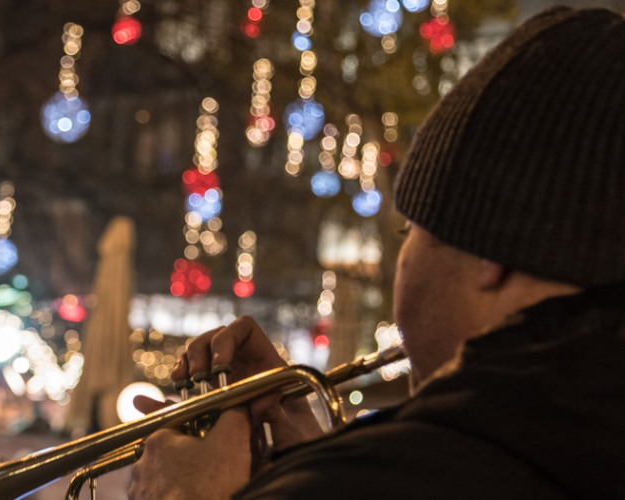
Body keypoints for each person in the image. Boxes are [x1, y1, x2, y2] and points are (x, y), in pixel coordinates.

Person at [129, 7, 625, 500]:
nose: (403, 257)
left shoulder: (427, 463)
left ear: (490, 251)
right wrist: (304, 464)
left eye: (411, 228)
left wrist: (182, 494)